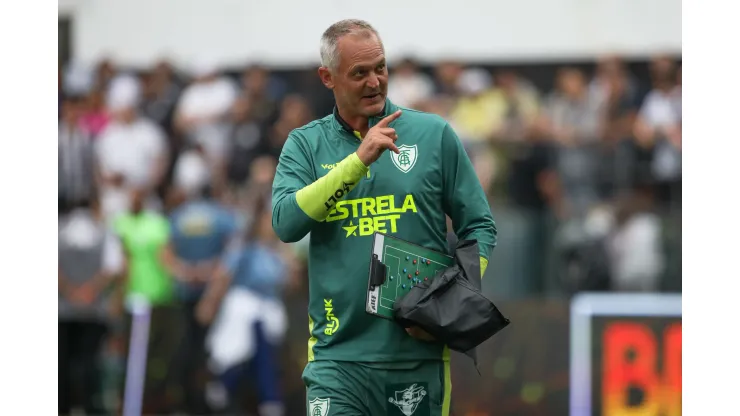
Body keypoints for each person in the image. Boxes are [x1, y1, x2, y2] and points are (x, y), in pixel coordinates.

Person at [271, 19, 497, 416]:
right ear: (328, 77)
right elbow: (285, 223)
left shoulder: (434, 135)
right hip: (336, 359)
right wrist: (357, 162)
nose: (375, 81)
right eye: (359, 73)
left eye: (380, 67)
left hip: (415, 358)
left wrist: (451, 305)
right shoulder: (305, 144)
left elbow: (479, 226)